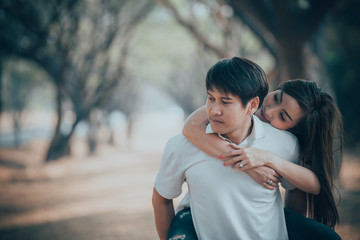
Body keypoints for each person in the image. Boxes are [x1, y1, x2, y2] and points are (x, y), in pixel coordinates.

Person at [153, 57, 302, 240]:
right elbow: (161, 199)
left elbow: (297, 190)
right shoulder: (181, 146)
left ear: (252, 105)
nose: (214, 110)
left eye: (225, 102)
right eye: (210, 98)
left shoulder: (285, 144)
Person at [175, 79, 343, 239]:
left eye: (282, 116)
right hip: (201, 211)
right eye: (277, 97)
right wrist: (250, 166)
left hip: (260, 216)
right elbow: (190, 128)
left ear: (295, 129)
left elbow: (313, 186)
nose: (269, 111)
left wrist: (269, 159)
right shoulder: (238, 103)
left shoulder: (287, 144)